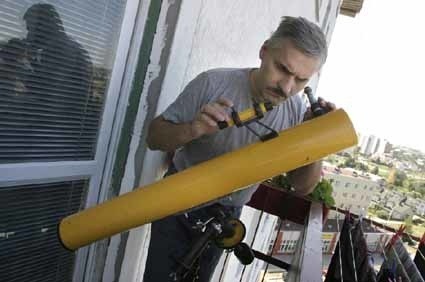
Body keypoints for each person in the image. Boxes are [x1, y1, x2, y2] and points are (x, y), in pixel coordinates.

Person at [144, 16, 334, 281]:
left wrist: (319, 138)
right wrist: (192, 129)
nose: (287, 87)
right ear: (264, 51)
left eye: (301, 80)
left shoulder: (296, 113)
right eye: (282, 68)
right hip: (177, 200)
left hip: (228, 214)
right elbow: (153, 138)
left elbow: (302, 186)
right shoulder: (212, 83)